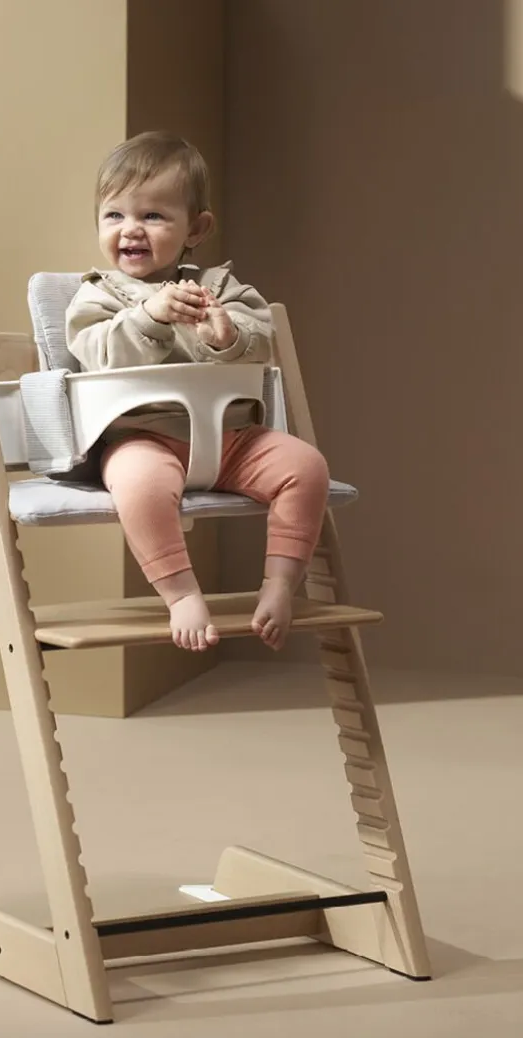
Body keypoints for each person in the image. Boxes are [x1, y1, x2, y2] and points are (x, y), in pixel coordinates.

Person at [66, 131, 329, 652]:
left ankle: (280, 583)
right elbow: (97, 352)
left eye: (152, 215)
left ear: (196, 229)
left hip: (233, 438)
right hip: (144, 438)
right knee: (138, 486)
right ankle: (181, 593)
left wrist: (228, 336)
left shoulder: (222, 289)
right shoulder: (98, 295)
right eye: (114, 215)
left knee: (307, 467)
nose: (130, 229)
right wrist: (147, 317)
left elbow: (262, 341)